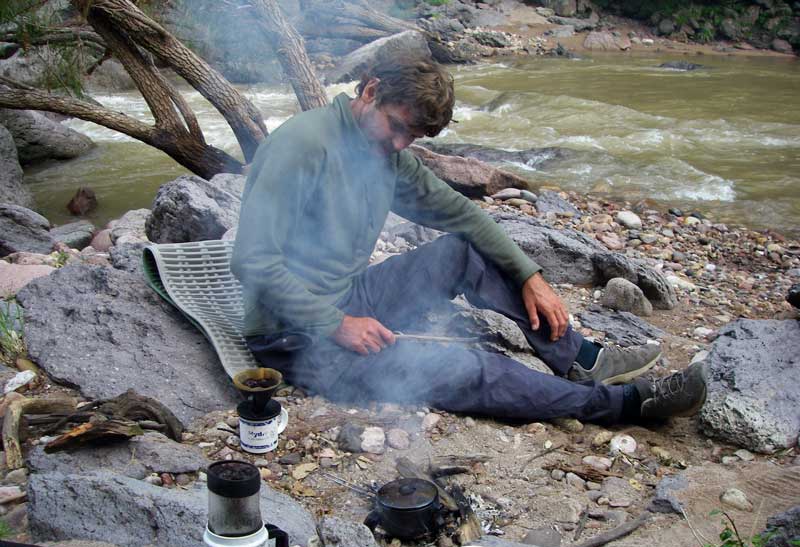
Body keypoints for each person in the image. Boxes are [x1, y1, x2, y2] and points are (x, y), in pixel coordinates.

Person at [231, 56, 707, 424]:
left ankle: (581, 358)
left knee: (463, 251)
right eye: (396, 126)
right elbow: (252, 262)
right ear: (370, 90)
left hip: (351, 297)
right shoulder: (303, 145)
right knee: (469, 369)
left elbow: (463, 216)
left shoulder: (382, 155)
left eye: (412, 136)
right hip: (292, 336)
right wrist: (337, 324)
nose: (399, 144)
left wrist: (530, 275)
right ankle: (624, 405)